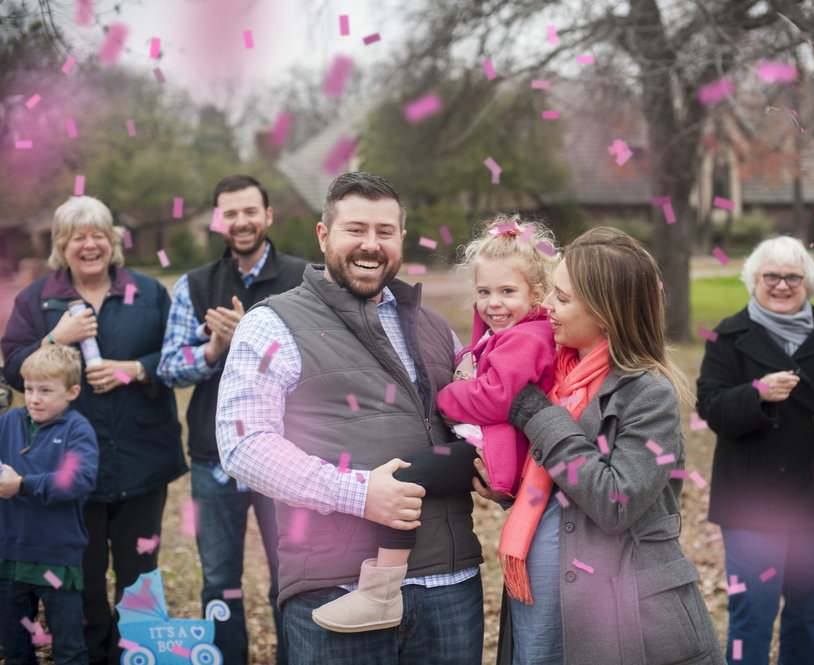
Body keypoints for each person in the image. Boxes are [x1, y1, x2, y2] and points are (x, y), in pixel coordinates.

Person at [215, 171, 484, 664]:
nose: (371, 244)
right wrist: (357, 493)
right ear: (324, 235)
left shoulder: (436, 328)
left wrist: (493, 466)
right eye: (355, 229)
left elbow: (474, 416)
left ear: (401, 239)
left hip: (450, 584)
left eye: (384, 232)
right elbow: (243, 443)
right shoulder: (272, 323)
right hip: (335, 586)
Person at [483, 227, 724, 665]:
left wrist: (539, 417)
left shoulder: (648, 395)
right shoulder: (555, 377)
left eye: (562, 298)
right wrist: (503, 486)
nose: (546, 307)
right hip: (542, 605)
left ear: (606, 314)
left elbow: (616, 500)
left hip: (624, 615)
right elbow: (559, 491)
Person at [312, 214, 558, 632]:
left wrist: (447, 397)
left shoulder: (527, 339)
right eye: (484, 292)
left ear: (536, 295)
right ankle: (381, 585)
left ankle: (381, 591)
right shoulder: (514, 330)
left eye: (507, 292)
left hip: (498, 450)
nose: (493, 303)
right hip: (491, 443)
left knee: (408, 477)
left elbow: (497, 396)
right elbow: (482, 358)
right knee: (410, 476)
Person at [1, 195, 186, 665]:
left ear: (113, 242)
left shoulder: (147, 292)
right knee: (81, 574)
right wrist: (54, 338)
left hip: (142, 458)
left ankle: (139, 655)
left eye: (98, 234)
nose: (89, 244)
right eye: (77, 236)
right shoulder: (36, 299)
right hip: (68, 467)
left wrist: (135, 369)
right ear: (61, 245)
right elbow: (12, 367)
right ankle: (95, 655)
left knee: (139, 572)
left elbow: (175, 356)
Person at [696, 235, 814, 665]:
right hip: (752, 502)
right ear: (754, 280)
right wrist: (757, 394)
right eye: (772, 277)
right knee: (752, 612)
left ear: (808, 283)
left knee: (808, 610)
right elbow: (710, 406)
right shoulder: (728, 336)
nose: (782, 285)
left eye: (792, 278)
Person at [157, 174, 305, 663]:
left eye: (249, 211)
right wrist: (215, 347)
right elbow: (169, 368)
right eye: (230, 213)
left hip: (287, 453)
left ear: (267, 216)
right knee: (219, 581)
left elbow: (322, 362)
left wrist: (253, 340)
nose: (240, 222)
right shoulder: (194, 284)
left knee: (292, 578)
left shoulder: (305, 279)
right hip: (212, 457)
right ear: (219, 221)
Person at [0, 344, 98, 665]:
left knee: (69, 650)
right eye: (28, 389)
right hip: (10, 558)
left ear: (71, 392)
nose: (34, 398)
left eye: (45, 390)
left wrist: (23, 485)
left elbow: (79, 479)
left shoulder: (77, 430)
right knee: (16, 650)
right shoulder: (9, 422)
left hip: (57, 560)